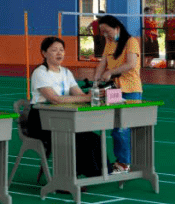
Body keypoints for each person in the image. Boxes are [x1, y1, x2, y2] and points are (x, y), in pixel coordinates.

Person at [28, 37, 102, 178]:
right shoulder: (40, 72)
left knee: (92, 138)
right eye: (54, 50)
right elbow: (54, 99)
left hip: (64, 117)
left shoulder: (66, 73)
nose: (59, 53)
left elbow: (79, 95)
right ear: (44, 53)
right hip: (41, 119)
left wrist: (94, 95)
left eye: (61, 50)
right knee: (72, 139)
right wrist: (85, 97)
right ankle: (67, 180)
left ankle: (97, 173)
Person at [93, 15, 141, 174]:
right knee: (115, 127)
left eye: (107, 31)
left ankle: (124, 163)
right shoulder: (109, 44)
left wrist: (110, 72)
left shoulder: (131, 42)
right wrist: (96, 80)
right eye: (103, 33)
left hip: (131, 90)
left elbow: (131, 64)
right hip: (114, 89)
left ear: (117, 28)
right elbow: (102, 63)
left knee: (123, 128)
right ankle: (121, 161)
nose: (106, 35)